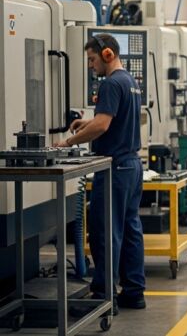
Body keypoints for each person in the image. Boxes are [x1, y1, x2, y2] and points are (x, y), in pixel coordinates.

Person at [53, 33, 145, 310]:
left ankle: (105, 295)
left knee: (106, 231)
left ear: (107, 55)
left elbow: (104, 126)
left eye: (92, 59)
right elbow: (108, 119)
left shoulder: (110, 84)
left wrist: (67, 142)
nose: (91, 66)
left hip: (115, 167)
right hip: (132, 166)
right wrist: (88, 122)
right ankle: (134, 291)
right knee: (130, 229)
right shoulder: (130, 82)